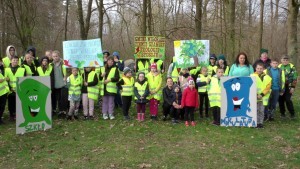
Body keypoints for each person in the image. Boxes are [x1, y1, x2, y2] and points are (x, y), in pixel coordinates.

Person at [4, 56, 26, 121]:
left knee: (18, 103)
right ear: (11, 61)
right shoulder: (6, 69)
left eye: (17, 60)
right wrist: (10, 88)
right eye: (14, 60)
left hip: (19, 90)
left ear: (18, 61)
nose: (15, 61)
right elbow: (6, 80)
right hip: (10, 90)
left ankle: (17, 115)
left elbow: (24, 80)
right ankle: (11, 115)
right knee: (11, 104)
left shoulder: (22, 69)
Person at [251, 63, 272, 128]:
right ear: (255, 68)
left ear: (263, 69)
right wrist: (256, 94)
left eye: (261, 68)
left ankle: (260, 123)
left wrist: (262, 94)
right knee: (255, 110)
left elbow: (268, 87)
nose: (259, 70)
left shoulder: (267, 77)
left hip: (263, 97)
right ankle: (255, 122)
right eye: (258, 68)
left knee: (261, 110)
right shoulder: (251, 76)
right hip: (254, 96)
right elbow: (250, 86)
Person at [51, 50, 68, 117]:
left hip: (63, 83)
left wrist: (66, 76)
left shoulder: (64, 63)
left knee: (62, 99)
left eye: (56, 56)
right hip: (55, 84)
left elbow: (68, 70)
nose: (55, 57)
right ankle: (55, 110)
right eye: (54, 56)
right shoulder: (51, 64)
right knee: (56, 98)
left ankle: (62, 111)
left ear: (59, 56)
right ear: (52, 57)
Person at [0, 58, 9, 124]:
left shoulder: (3, 69)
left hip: (4, 91)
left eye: (0, 61)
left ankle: (0, 118)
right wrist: (5, 79)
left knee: (2, 106)